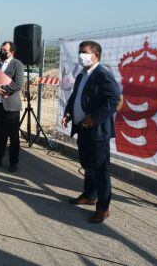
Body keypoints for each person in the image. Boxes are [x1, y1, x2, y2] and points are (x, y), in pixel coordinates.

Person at [62, 41, 121, 224]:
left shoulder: (103, 75)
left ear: (96, 55)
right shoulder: (82, 75)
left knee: (100, 170)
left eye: (84, 52)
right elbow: (75, 97)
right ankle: (90, 195)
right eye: (79, 52)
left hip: (97, 131)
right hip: (83, 129)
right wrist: (69, 113)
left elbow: (114, 100)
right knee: (87, 165)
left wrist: (94, 118)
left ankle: (103, 208)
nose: (81, 56)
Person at [0, 41, 24, 172]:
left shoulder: (17, 64)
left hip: (11, 107)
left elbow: (18, 84)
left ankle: (13, 161)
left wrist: (3, 88)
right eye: (1, 50)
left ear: (12, 52)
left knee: (13, 136)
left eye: (4, 50)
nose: (1, 52)